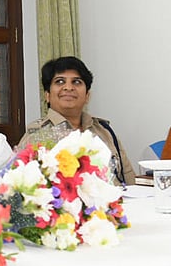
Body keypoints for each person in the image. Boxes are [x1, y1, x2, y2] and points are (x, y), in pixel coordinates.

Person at [17, 56, 136, 186]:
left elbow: (129, 179)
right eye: (60, 81)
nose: (68, 87)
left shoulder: (104, 131)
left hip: (119, 203)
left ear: (87, 96)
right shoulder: (37, 136)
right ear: (47, 96)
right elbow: (23, 188)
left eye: (77, 82)